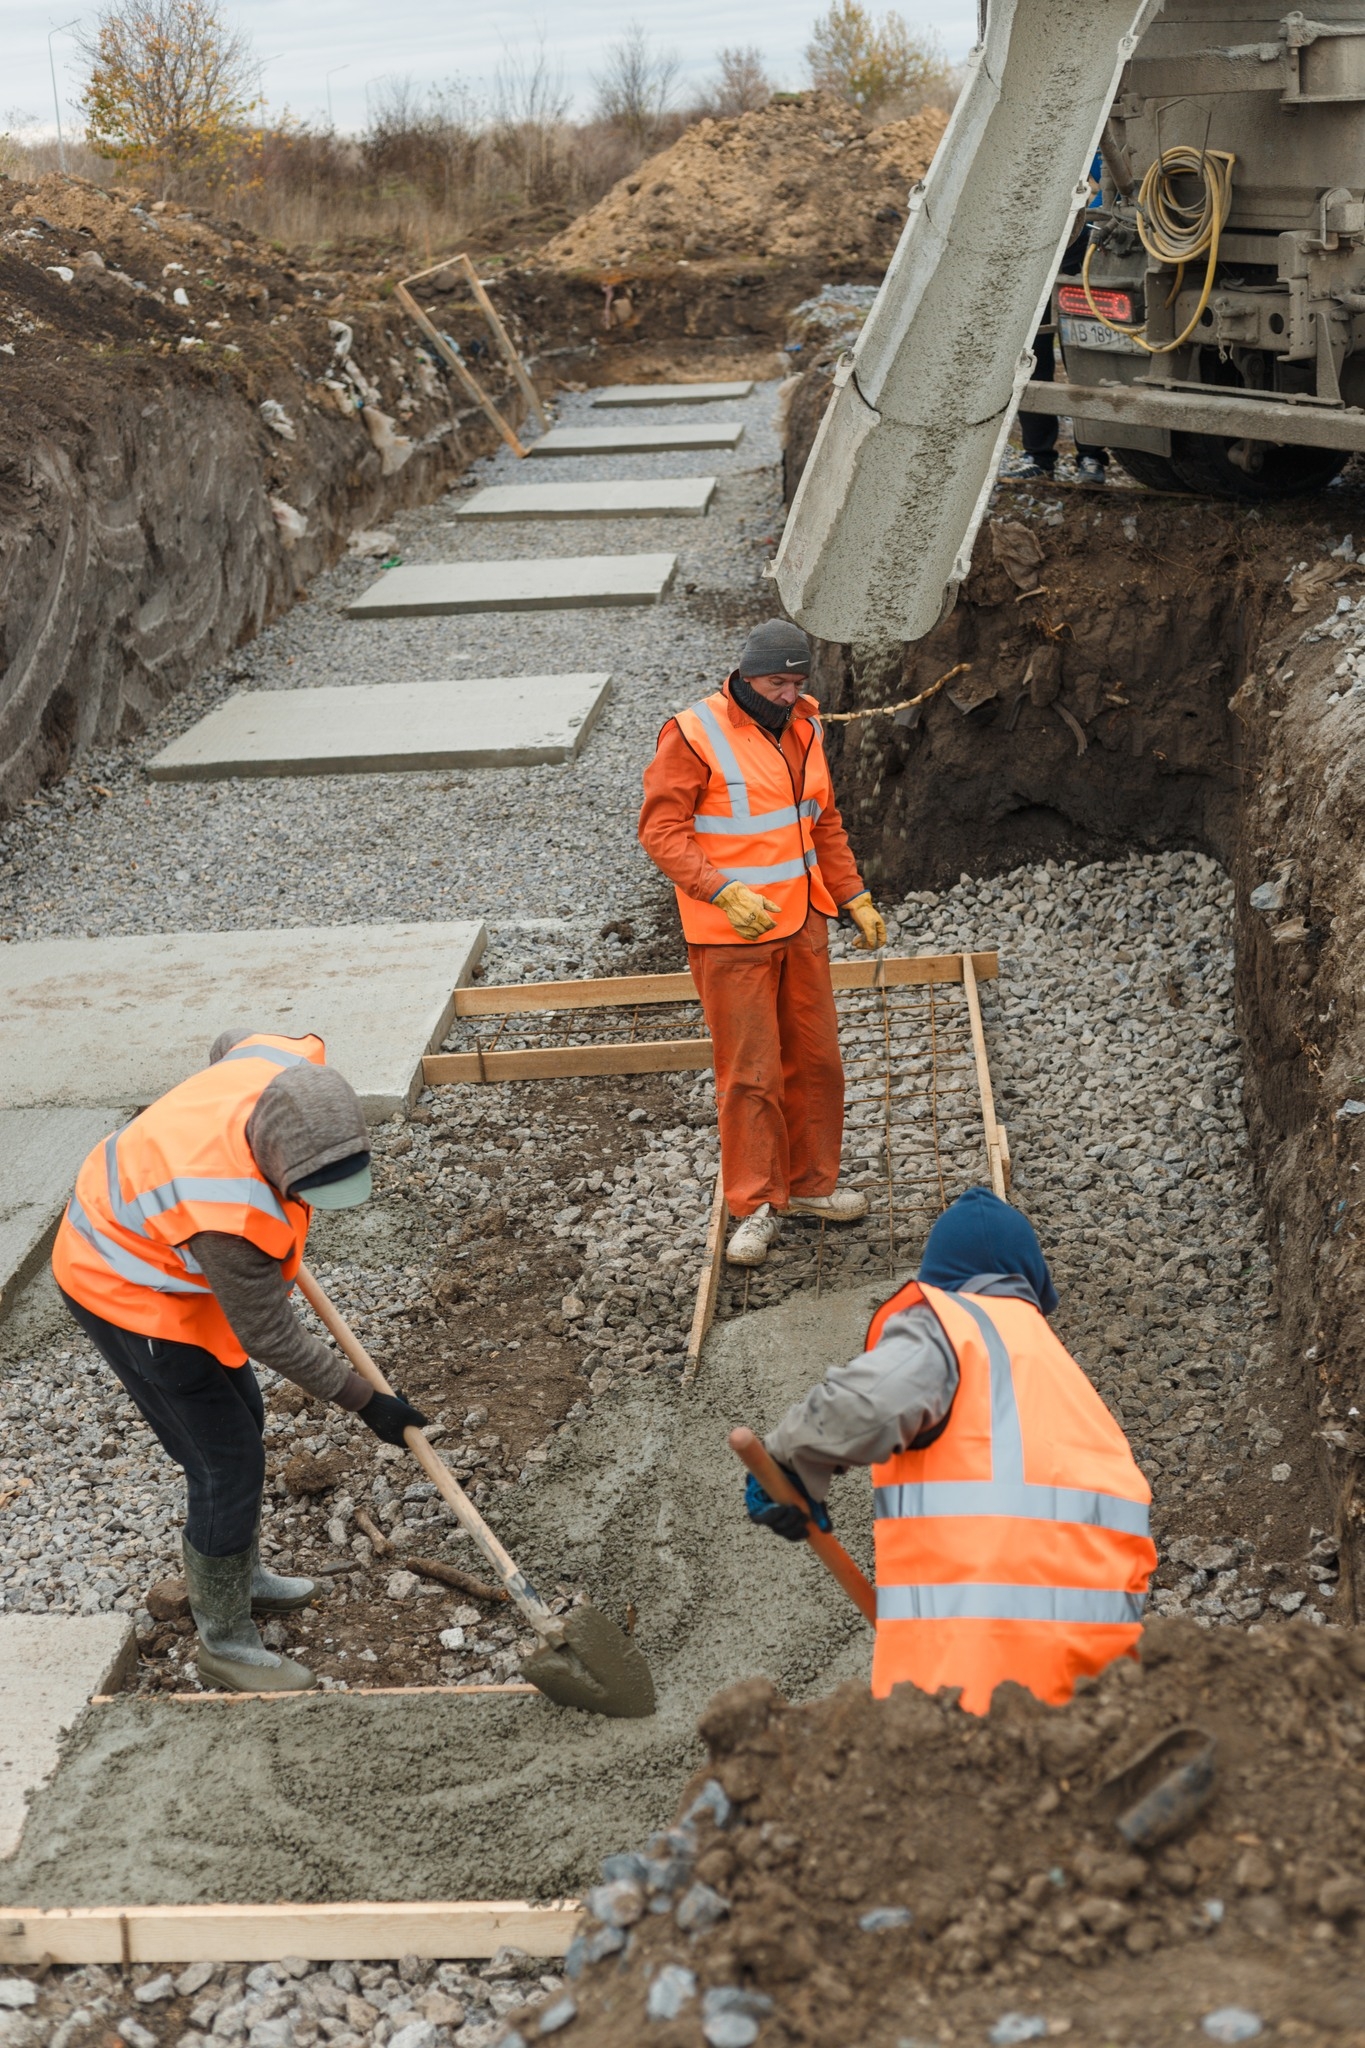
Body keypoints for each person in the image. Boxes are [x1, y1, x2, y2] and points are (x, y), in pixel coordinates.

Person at [51, 1030, 428, 1693]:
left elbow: (229, 1042)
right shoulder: (226, 1215)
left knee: (245, 1415)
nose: (311, 1206)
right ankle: (223, 1640)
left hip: (166, 1259)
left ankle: (240, 1575)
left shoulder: (280, 1067)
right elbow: (270, 1334)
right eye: (305, 1191)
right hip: (120, 1281)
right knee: (223, 1460)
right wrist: (369, 1404)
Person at [744, 1187, 1155, 1712]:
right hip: (1101, 1691)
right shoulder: (1065, 1381)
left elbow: (865, 1404)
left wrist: (789, 1460)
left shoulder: (953, 1324)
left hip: (980, 1682)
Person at [639, 619, 888, 1269]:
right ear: (747, 677)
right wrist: (719, 891)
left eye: (796, 682)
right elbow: (662, 833)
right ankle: (753, 1207)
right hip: (731, 936)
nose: (787, 693)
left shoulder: (804, 728)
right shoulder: (693, 733)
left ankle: (808, 1187)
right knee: (750, 1075)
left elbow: (821, 821)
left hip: (801, 923)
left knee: (815, 1062)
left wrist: (852, 894)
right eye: (777, 682)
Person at [1019, 152, 1109, 486]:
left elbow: (1107, 188)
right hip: (1035, 252)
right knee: (1030, 357)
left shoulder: (1096, 141)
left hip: (1081, 250)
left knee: (1084, 358)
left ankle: (1091, 456)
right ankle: (1038, 457)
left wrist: (1085, 213)